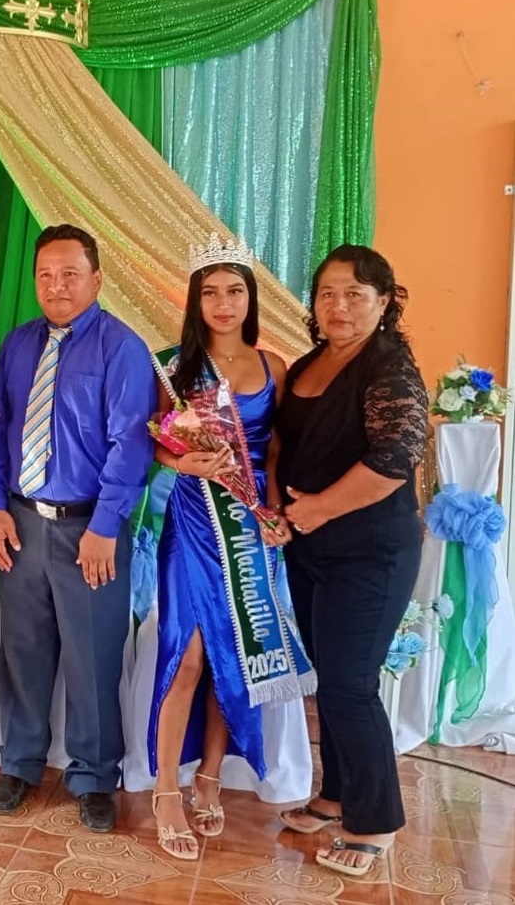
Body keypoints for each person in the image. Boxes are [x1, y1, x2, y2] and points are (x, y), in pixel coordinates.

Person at [0, 223, 156, 834]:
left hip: (90, 530)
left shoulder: (121, 348)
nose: (57, 286)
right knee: (23, 650)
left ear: (97, 279)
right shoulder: (17, 344)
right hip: (22, 522)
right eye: (46, 275)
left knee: (93, 656)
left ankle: (94, 776)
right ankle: (19, 763)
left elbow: (131, 446)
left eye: (70, 274)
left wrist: (105, 526)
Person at [146, 236, 313, 860]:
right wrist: (182, 462)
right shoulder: (174, 367)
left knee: (232, 655)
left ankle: (210, 777)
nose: (223, 303)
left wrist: (272, 512)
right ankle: (167, 789)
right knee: (187, 655)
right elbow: (157, 443)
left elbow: (275, 452)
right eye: (211, 292)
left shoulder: (274, 367)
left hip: (249, 526)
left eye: (235, 291)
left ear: (250, 298)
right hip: (194, 522)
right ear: (195, 300)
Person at [276, 245, 428, 877]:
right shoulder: (309, 363)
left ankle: (374, 822)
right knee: (331, 679)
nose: (339, 306)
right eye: (328, 294)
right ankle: (337, 795)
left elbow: (395, 459)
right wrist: (281, 510)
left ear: (384, 302)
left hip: (371, 551)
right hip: (311, 547)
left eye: (355, 294)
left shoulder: (389, 366)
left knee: (350, 684)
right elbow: (286, 443)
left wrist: (318, 509)